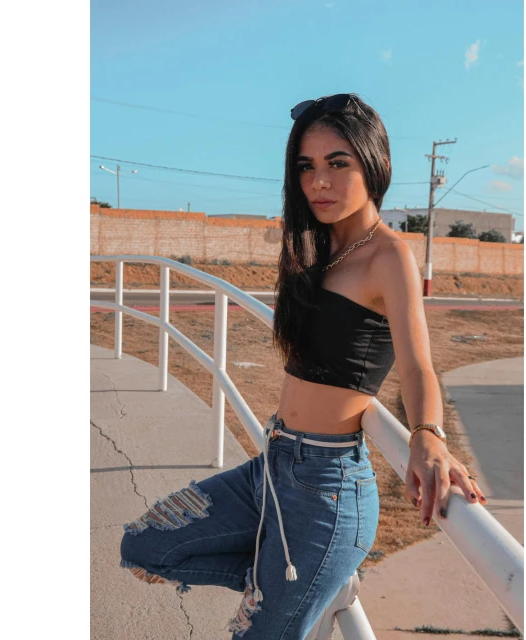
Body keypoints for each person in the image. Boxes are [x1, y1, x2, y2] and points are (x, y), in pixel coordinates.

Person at [119, 93, 487, 640]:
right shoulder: (315, 249)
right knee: (143, 544)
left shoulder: (389, 256)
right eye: (307, 167)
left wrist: (427, 434)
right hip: (271, 465)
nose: (320, 181)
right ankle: (300, 588)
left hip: (327, 490)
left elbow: (418, 367)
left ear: (374, 163)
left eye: (339, 163)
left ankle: (299, 588)